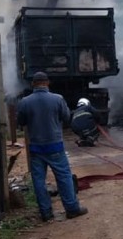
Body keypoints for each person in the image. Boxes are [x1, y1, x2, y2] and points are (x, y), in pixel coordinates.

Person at [16, 72, 88, 222]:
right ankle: (72, 208)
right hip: (55, 146)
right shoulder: (57, 99)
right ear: (47, 83)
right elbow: (67, 118)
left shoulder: (25, 102)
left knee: (38, 180)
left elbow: (21, 122)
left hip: (36, 147)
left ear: (33, 84)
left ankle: (46, 213)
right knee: (64, 177)